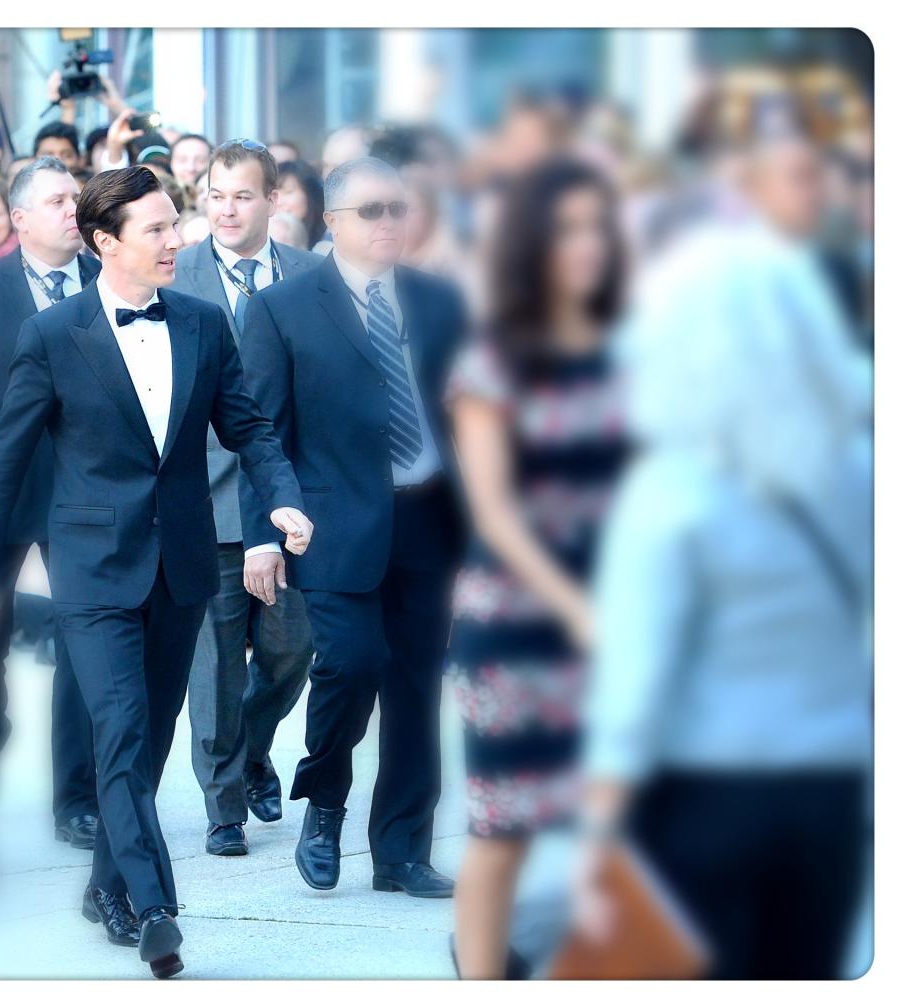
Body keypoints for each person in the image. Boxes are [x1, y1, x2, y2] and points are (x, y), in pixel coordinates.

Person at [0, 166, 311, 978]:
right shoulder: (53, 334)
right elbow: (4, 463)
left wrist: (283, 499)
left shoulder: (203, 323)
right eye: (156, 229)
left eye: (173, 224)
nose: (176, 239)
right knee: (118, 732)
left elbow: (250, 429)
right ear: (105, 242)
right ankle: (154, 909)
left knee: (148, 744)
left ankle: (105, 882)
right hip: (91, 570)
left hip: (181, 567)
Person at [572, 130, 872, 980]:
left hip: (702, 789)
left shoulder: (671, 491)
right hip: (832, 787)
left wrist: (596, 830)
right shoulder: (857, 467)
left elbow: (636, 681)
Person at [239, 156, 467, 899]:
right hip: (331, 524)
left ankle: (401, 851)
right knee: (351, 665)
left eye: (398, 207)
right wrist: (263, 534)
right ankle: (325, 799)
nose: (388, 222)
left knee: (416, 687)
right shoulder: (282, 308)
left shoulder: (439, 300)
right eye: (371, 210)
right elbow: (261, 434)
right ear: (332, 221)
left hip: (429, 517)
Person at [444, 159, 629, 979]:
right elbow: (494, 513)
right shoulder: (496, 358)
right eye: (566, 229)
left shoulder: (627, 347)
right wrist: (576, 608)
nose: (586, 245)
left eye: (596, 227)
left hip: (623, 612)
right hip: (520, 622)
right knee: (506, 827)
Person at [167, 140, 322, 858]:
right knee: (216, 665)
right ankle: (223, 806)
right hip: (206, 502)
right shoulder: (177, 276)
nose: (226, 210)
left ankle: (254, 748)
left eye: (242, 196)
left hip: (292, 500)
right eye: (216, 196)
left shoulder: (312, 277)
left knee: (292, 649)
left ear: (272, 200)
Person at [0, 157, 101, 845]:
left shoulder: (107, 282)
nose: (74, 210)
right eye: (58, 200)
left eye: (77, 197)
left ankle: (77, 797)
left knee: (85, 638)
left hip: (85, 494)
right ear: (19, 218)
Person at [276, 159, 326, 249]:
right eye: (273, 194)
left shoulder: (329, 244)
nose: (278, 202)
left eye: (288, 192)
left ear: (310, 194)